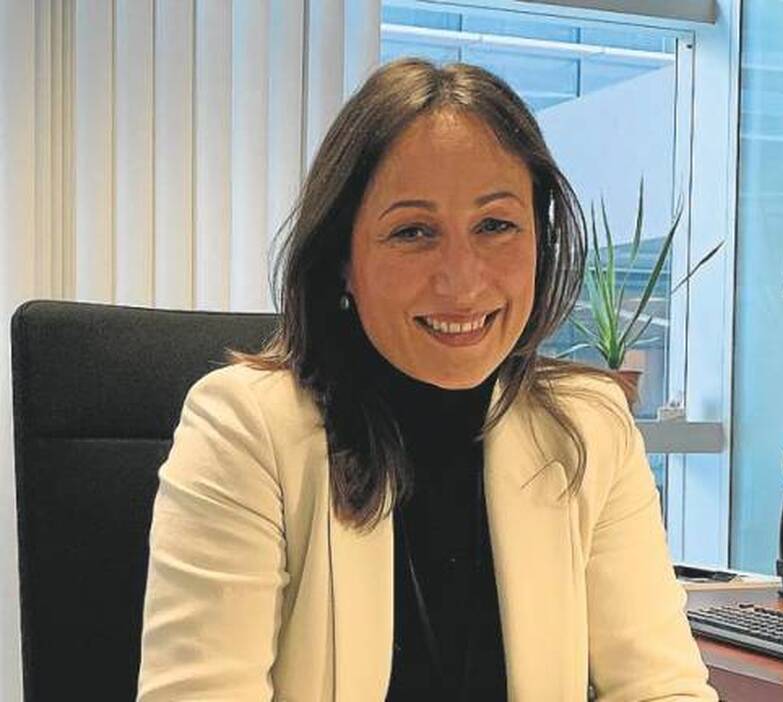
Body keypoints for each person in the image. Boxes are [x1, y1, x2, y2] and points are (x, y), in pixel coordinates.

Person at [136, 58, 715, 701]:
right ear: (343, 259)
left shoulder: (588, 426)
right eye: (413, 232)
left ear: (540, 242)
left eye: (495, 225)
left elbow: (659, 687)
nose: (462, 282)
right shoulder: (245, 430)